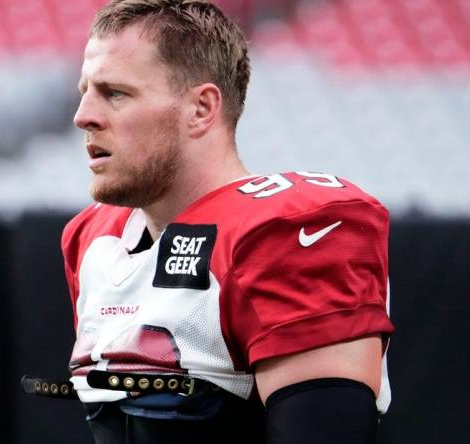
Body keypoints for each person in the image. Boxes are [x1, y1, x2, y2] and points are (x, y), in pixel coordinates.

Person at [35, 1, 394, 442]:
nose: (83, 116)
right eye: (85, 91)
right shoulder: (94, 241)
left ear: (202, 108)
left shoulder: (284, 231)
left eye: (115, 93)